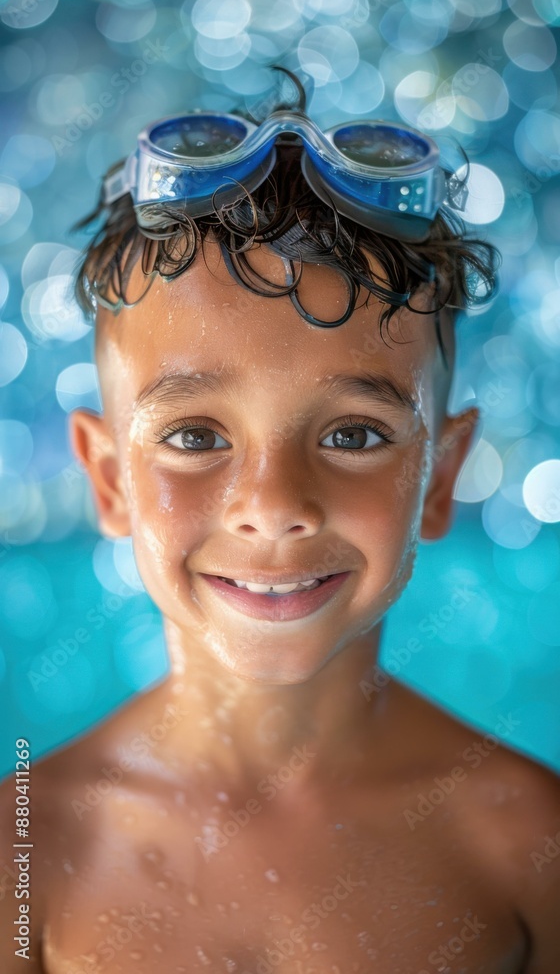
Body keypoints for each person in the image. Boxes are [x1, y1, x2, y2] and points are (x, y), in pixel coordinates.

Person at [1, 70, 559, 974]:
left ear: (441, 474)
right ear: (108, 480)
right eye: (193, 435)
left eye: (352, 433)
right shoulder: (24, 856)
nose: (273, 505)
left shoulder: (528, 844)